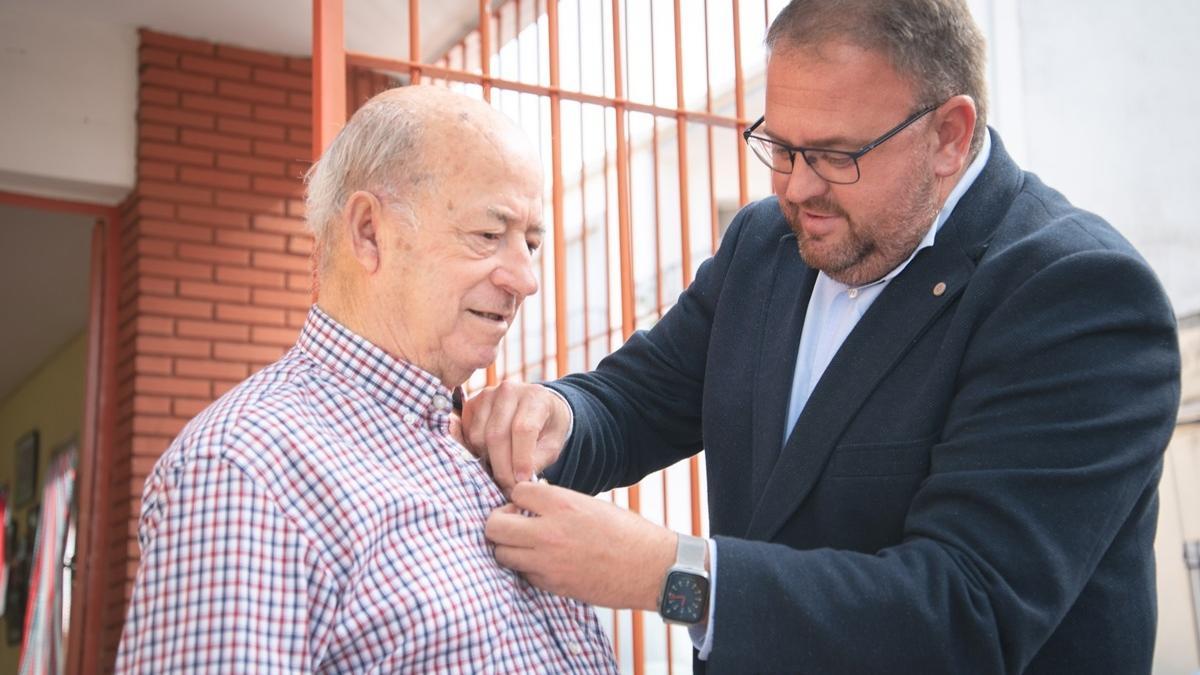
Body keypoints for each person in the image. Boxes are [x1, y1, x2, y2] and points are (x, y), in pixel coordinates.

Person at [463, 1, 1182, 672]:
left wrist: (669, 572)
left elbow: (966, 611)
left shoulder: (1075, 294)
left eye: (837, 155)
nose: (794, 188)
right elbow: (640, 397)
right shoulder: (764, 243)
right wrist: (555, 418)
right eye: (780, 144)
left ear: (949, 136)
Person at [115, 86, 617, 673]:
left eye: (530, 243)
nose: (526, 279)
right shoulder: (248, 470)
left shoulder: (486, 446)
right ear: (369, 232)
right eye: (488, 235)